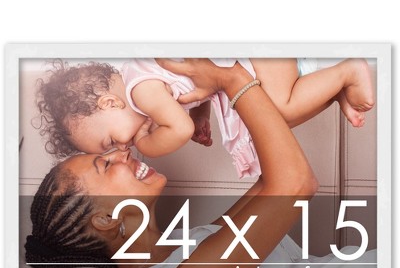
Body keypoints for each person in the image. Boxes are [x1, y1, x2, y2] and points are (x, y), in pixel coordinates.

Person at [26, 60, 320, 268]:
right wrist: (229, 77)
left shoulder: (181, 245)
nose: (124, 152)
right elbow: (296, 184)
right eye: (105, 164)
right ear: (105, 219)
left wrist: (209, 93)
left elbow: (273, 182)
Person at [36, 57, 375, 178]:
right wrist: (201, 113)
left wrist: (147, 143)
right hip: (254, 61)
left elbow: (179, 128)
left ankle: (347, 72)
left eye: (111, 141)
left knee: (277, 112)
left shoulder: (140, 93)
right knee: (271, 121)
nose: (123, 147)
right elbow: (194, 86)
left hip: (254, 56)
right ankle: (334, 88)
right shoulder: (141, 74)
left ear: (110, 102)